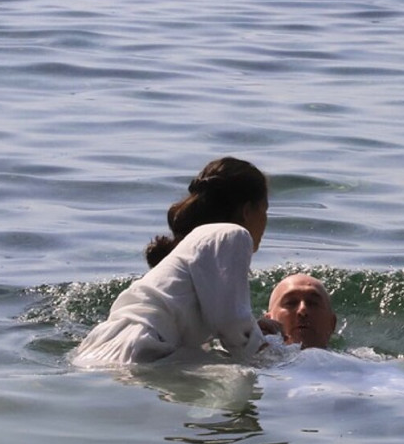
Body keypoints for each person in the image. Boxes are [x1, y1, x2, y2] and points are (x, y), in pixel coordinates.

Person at [71, 157, 280, 367]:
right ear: (248, 210)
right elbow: (232, 325)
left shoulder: (195, 244)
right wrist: (278, 356)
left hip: (99, 349)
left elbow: (216, 324)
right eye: (265, 209)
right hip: (136, 350)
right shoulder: (232, 234)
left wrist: (254, 328)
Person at [264, 273, 337, 349]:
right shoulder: (253, 357)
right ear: (269, 321)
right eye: (290, 303)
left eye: (313, 303)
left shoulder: (347, 359)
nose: (303, 311)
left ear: (332, 323)